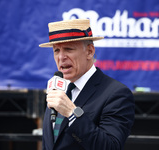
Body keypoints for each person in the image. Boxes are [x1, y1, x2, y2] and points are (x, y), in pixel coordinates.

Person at [39, 19, 135, 150]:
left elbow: (111, 146)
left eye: (68, 49)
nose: (61, 57)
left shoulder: (116, 94)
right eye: (56, 50)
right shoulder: (57, 88)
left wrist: (72, 113)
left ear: (89, 51)